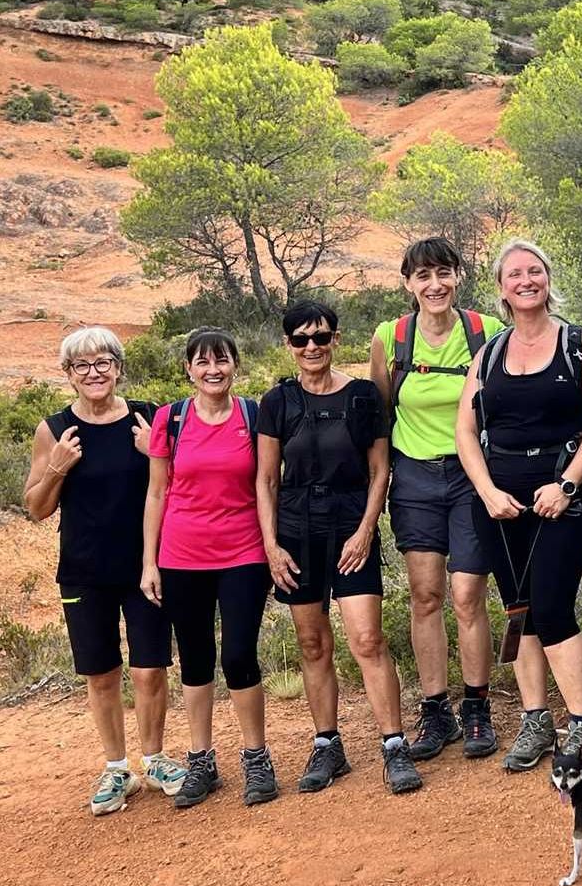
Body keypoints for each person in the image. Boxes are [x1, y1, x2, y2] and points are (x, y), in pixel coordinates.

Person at [455, 239, 582, 771]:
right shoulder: (489, 353)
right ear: (501, 289)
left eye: (535, 271)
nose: (526, 280)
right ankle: (535, 719)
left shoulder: (580, 344)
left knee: (551, 607)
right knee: (519, 608)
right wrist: (486, 491)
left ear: (547, 279)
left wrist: (567, 485)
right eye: (515, 274)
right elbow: (465, 430)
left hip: (562, 498)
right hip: (500, 501)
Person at [258, 300, 424, 795]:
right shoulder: (278, 402)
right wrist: (270, 545)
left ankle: (394, 745)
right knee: (312, 643)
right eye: (302, 339)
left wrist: (367, 529)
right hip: (296, 531)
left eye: (322, 337)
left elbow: (380, 469)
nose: (313, 347)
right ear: (288, 345)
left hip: (350, 529)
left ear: (335, 340)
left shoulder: (362, 397)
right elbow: (266, 479)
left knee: (367, 639)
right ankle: (327, 745)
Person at [24, 326, 186, 815]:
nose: (94, 373)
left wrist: (152, 454)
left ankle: (154, 760)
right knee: (101, 673)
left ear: (117, 367)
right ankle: (118, 768)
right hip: (84, 570)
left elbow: (183, 487)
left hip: (146, 566)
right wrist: (57, 466)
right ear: (69, 375)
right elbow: (36, 508)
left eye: (103, 363)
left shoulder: (148, 417)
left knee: (150, 668)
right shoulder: (54, 430)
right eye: (82, 366)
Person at [368, 237, 506, 763]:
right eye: (423, 276)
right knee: (425, 595)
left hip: (471, 476)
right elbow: (379, 416)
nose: (434, 285)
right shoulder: (390, 338)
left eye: (443, 273)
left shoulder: (484, 332)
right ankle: (435, 709)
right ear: (407, 283)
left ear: (458, 276)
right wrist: (376, 486)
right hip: (414, 480)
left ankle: (476, 708)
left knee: (468, 594)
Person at [141, 328, 278, 809]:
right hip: (181, 555)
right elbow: (157, 492)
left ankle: (256, 756)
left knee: (239, 654)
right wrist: (148, 563)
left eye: (221, 359)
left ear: (235, 364)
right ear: (188, 369)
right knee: (196, 658)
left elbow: (268, 483)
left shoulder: (254, 415)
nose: (212, 369)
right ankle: (201, 759)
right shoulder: (169, 419)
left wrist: (273, 545)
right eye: (202, 362)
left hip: (244, 551)